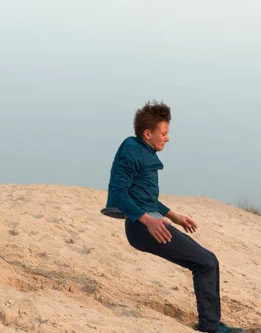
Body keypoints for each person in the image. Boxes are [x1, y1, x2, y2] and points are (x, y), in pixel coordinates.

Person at [103, 100, 247, 333]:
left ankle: (211, 323)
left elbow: (145, 198)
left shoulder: (142, 150)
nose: (167, 138)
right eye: (164, 133)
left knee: (208, 260)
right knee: (205, 263)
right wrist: (148, 220)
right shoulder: (132, 150)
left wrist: (174, 215)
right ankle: (211, 327)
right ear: (148, 133)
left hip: (149, 222)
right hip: (143, 227)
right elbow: (119, 194)